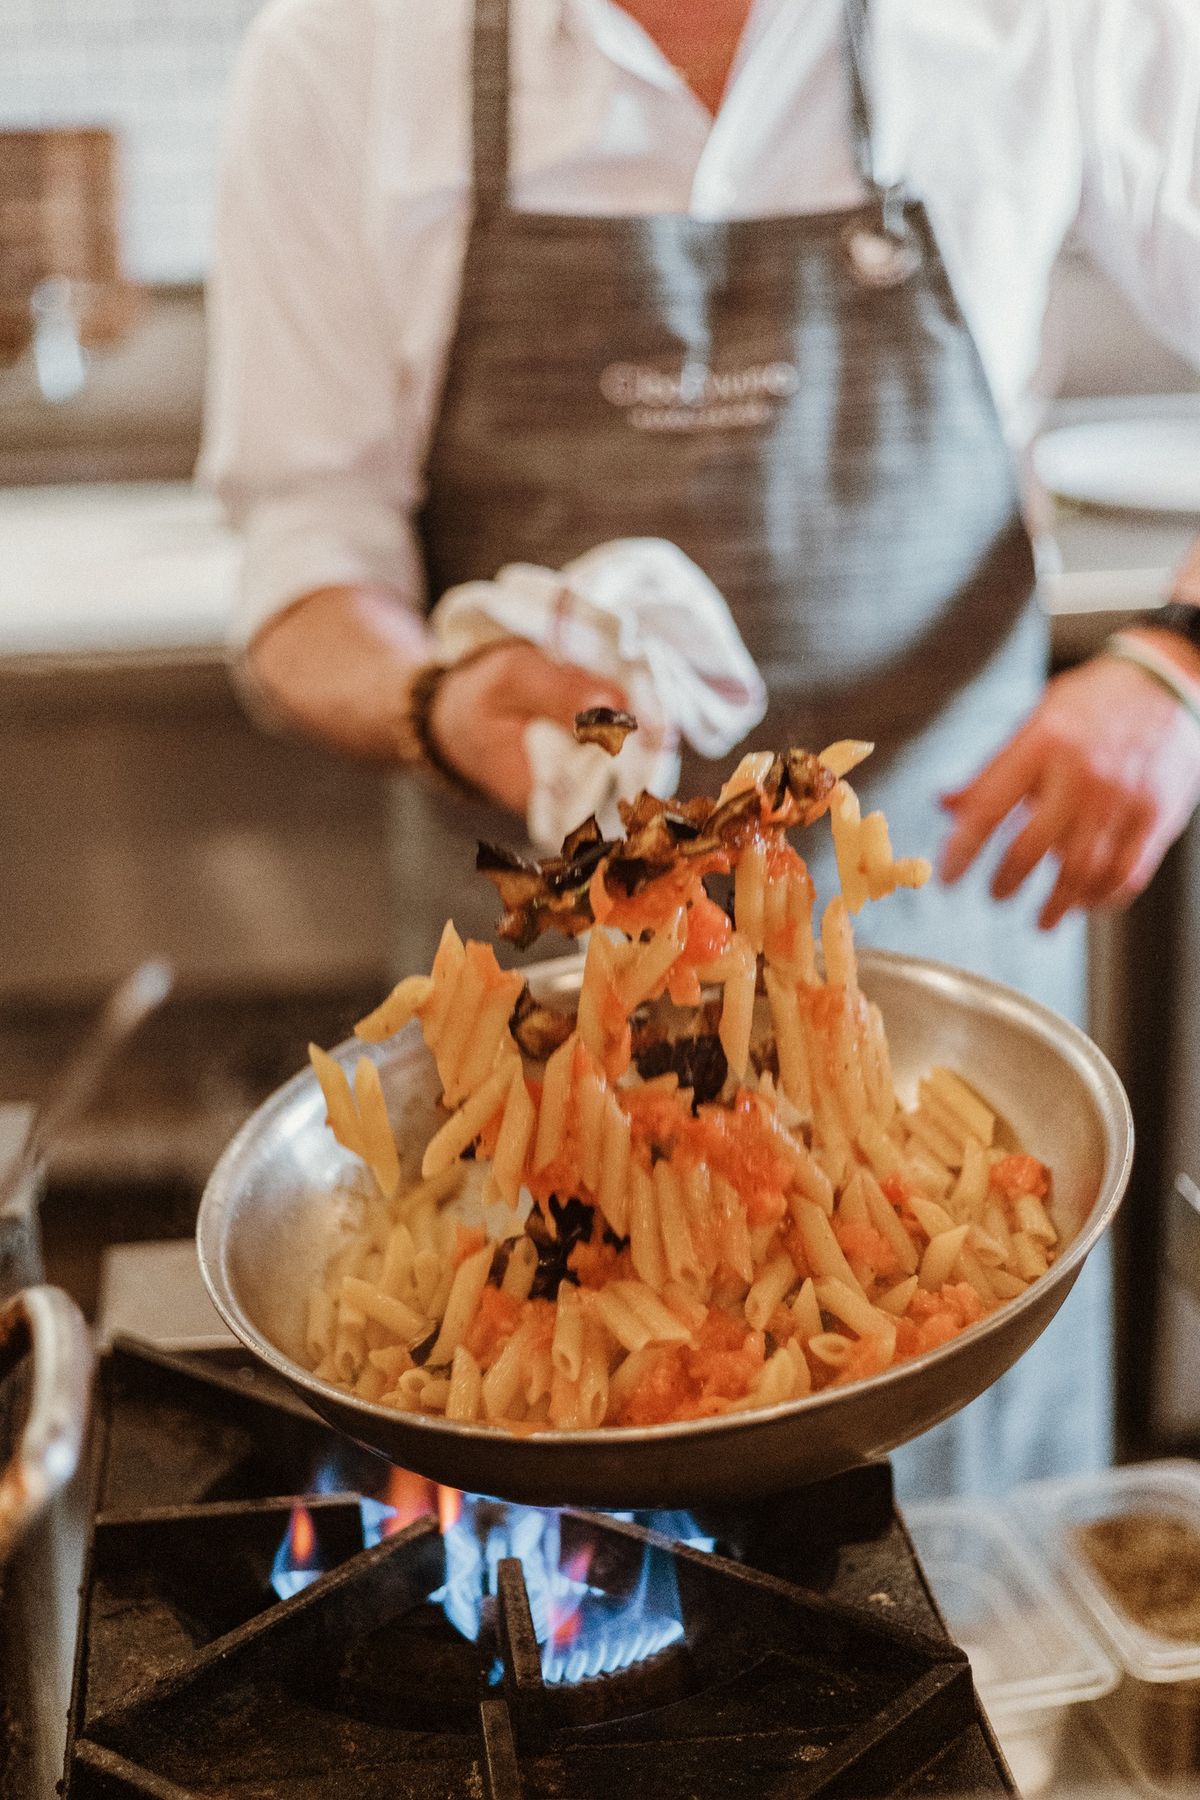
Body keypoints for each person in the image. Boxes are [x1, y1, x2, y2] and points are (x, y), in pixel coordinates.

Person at [202, 0, 1200, 1496]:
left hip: (938, 1091)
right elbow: (300, 560)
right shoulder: (349, 47)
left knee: (972, 1623)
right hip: (533, 1117)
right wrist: (438, 698)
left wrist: (1177, 665)